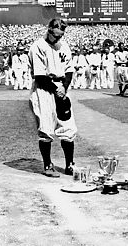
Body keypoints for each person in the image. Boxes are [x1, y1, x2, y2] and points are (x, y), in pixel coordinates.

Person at [28, 18, 76, 178]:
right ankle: (47, 165)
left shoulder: (64, 46)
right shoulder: (38, 47)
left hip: (62, 87)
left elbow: (69, 70)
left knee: (68, 127)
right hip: (44, 90)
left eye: (61, 35)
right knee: (46, 128)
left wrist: (64, 88)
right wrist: (57, 90)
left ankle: (70, 165)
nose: (58, 39)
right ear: (49, 30)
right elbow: (40, 76)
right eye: (56, 35)